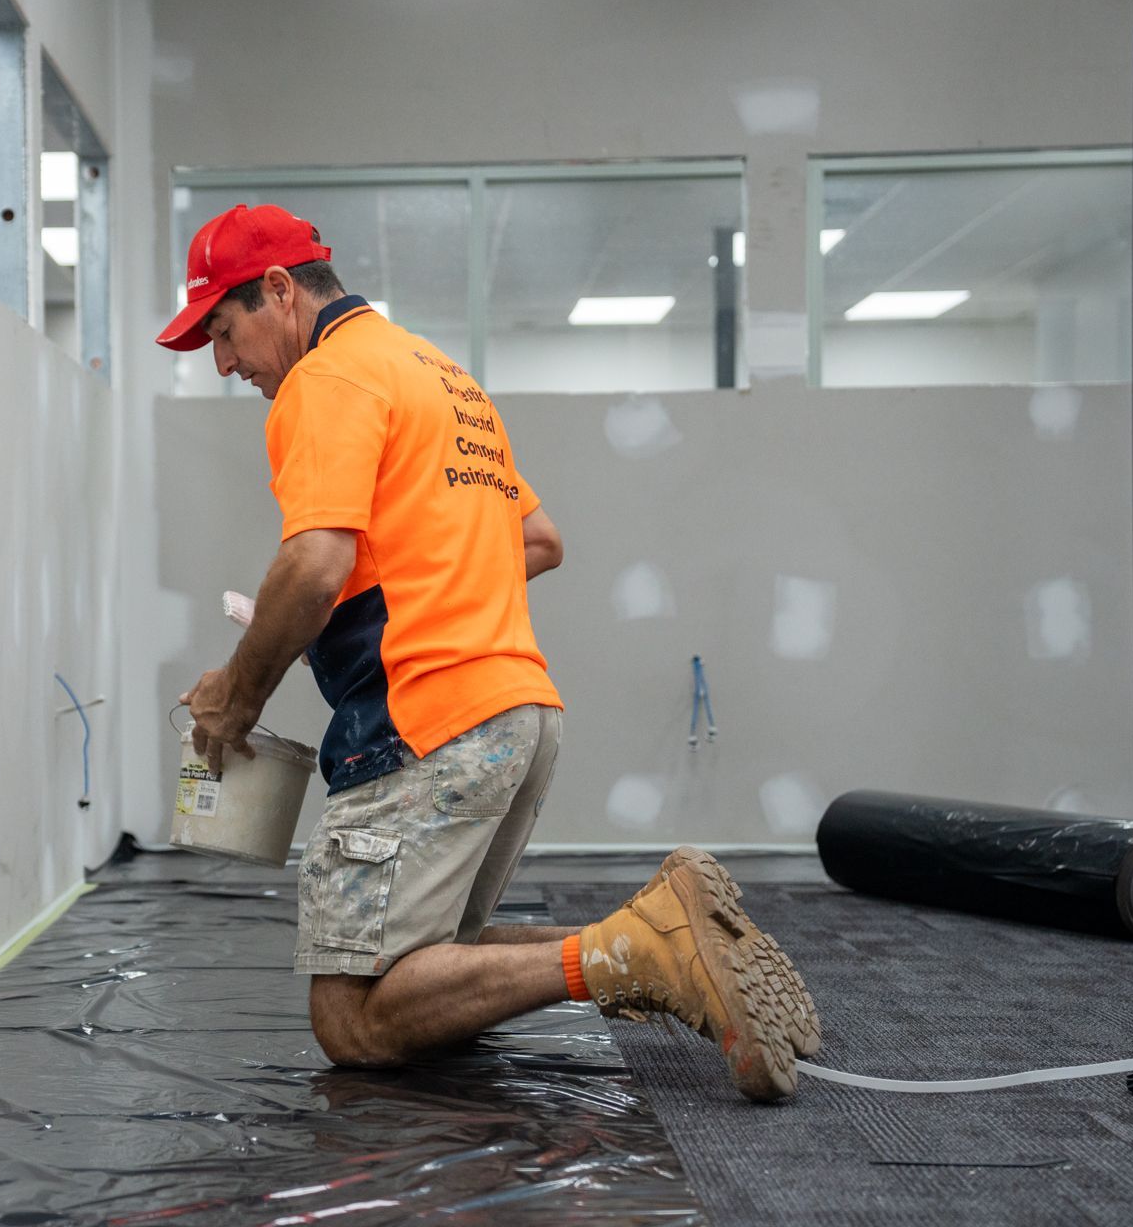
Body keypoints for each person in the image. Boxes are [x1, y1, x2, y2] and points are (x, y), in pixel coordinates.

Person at [161, 204, 820, 1101]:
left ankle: (641, 949)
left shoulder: (329, 379)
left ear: (279, 291)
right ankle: (664, 945)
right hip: (516, 712)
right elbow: (539, 538)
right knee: (435, 964)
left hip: (424, 723)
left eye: (224, 331)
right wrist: (428, 583)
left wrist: (236, 698)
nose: (225, 362)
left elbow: (314, 564)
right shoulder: (439, 373)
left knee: (351, 1015)